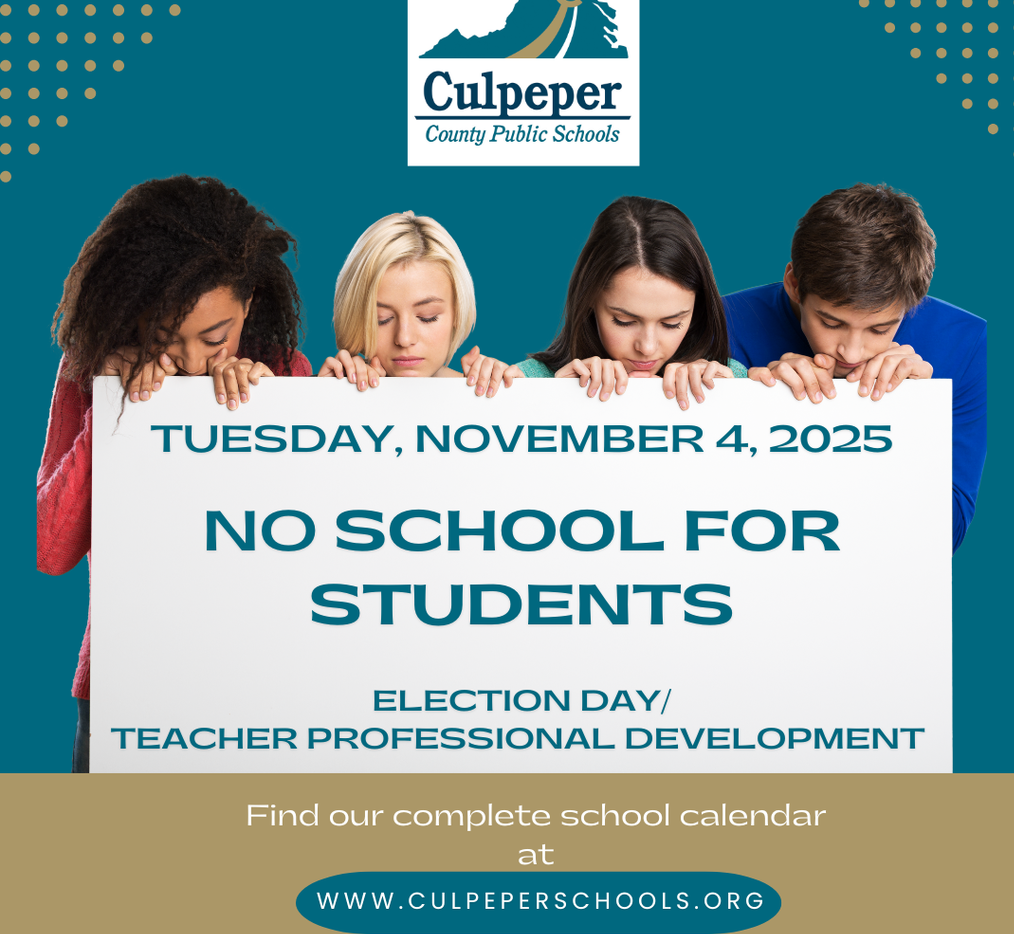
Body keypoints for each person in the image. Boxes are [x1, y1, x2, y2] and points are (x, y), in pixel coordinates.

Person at [36, 174, 312, 772]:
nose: (189, 362)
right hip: (122, 683)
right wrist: (112, 404)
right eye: (164, 337)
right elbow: (52, 550)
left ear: (249, 304)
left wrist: (270, 416)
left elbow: (307, 547)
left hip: (249, 688)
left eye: (214, 339)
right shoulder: (93, 368)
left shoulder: (283, 369)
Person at [723, 182, 986, 552]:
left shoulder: (964, 343)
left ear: (913, 304)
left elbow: (946, 538)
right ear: (794, 285)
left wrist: (909, 421)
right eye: (831, 323)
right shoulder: (722, 323)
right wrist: (755, 402)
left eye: (880, 329)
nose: (851, 352)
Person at [514, 196, 745, 408]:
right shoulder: (526, 382)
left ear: (698, 307)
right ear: (589, 298)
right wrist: (552, 400)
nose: (647, 348)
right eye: (623, 321)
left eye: (672, 323)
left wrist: (736, 400)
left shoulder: (729, 379)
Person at [319, 211, 515, 392]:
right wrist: (319, 397)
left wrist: (515, 395)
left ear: (457, 312)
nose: (404, 339)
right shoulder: (333, 388)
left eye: (427, 317)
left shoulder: (495, 393)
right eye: (381, 319)